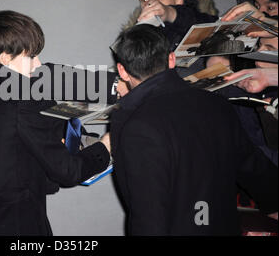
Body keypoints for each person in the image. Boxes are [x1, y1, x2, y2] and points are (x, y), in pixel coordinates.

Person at [0, 10, 111, 235]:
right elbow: (68, 172)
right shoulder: (23, 98)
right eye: (31, 56)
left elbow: (5, 167)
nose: (38, 64)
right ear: (6, 58)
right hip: (17, 226)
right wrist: (104, 147)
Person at [110, 24, 278, 235]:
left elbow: (148, 213)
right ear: (171, 59)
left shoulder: (135, 124)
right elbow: (253, 166)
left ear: (122, 71)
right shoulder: (217, 104)